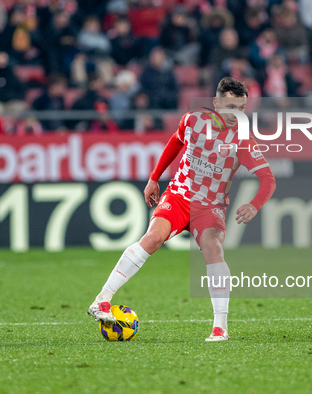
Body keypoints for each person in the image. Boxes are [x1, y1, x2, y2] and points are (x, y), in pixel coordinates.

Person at [87, 77, 276, 341]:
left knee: (213, 248)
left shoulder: (242, 140)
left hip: (210, 206)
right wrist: (154, 178)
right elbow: (175, 143)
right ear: (216, 103)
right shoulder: (192, 121)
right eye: (230, 107)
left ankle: (220, 327)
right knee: (152, 238)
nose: (236, 115)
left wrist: (254, 206)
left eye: (241, 108)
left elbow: (268, 179)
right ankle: (102, 300)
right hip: (179, 196)